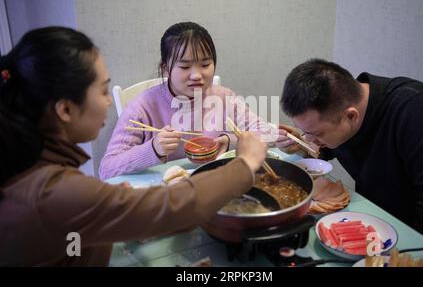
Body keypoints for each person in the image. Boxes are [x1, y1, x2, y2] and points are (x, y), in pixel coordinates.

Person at [0, 26, 268, 266]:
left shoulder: (30, 162)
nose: (108, 103)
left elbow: (258, 128)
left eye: (205, 64)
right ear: (66, 110)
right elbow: (174, 207)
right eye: (103, 91)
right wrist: (244, 165)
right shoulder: (54, 192)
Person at [279, 58, 423, 250]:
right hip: (374, 219)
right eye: (305, 132)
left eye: (316, 133)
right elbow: (330, 146)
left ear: (351, 116)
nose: (308, 138)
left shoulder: (418, 112)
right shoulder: (346, 107)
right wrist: (303, 146)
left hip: (418, 237)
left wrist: (401, 253)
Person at [99, 22, 276, 179]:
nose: (197, 75)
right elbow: (107, 169)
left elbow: (264, 132)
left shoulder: (224, 97)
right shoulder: (141, 108)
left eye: (205, 64)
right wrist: (153, 149)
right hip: (164, 197)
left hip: (212, 187)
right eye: (184, 66)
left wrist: (230, 142)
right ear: (166, 68)